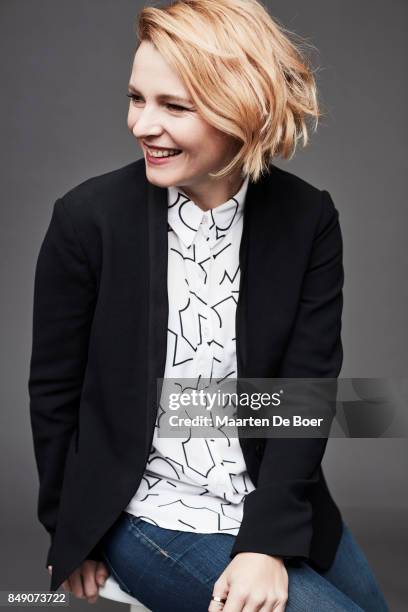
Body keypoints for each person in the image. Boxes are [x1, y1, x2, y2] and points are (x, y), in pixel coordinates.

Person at [29, 0, 389, 610]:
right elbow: (55, 391)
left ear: (241, 108)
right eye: (136, 98)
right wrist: (71, 529)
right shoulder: (87, 219)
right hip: (147, 512)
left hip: (275, 498)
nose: (143, 124)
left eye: (174, 105)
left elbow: (304, 391)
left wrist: (266, 542)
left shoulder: (308, 219)